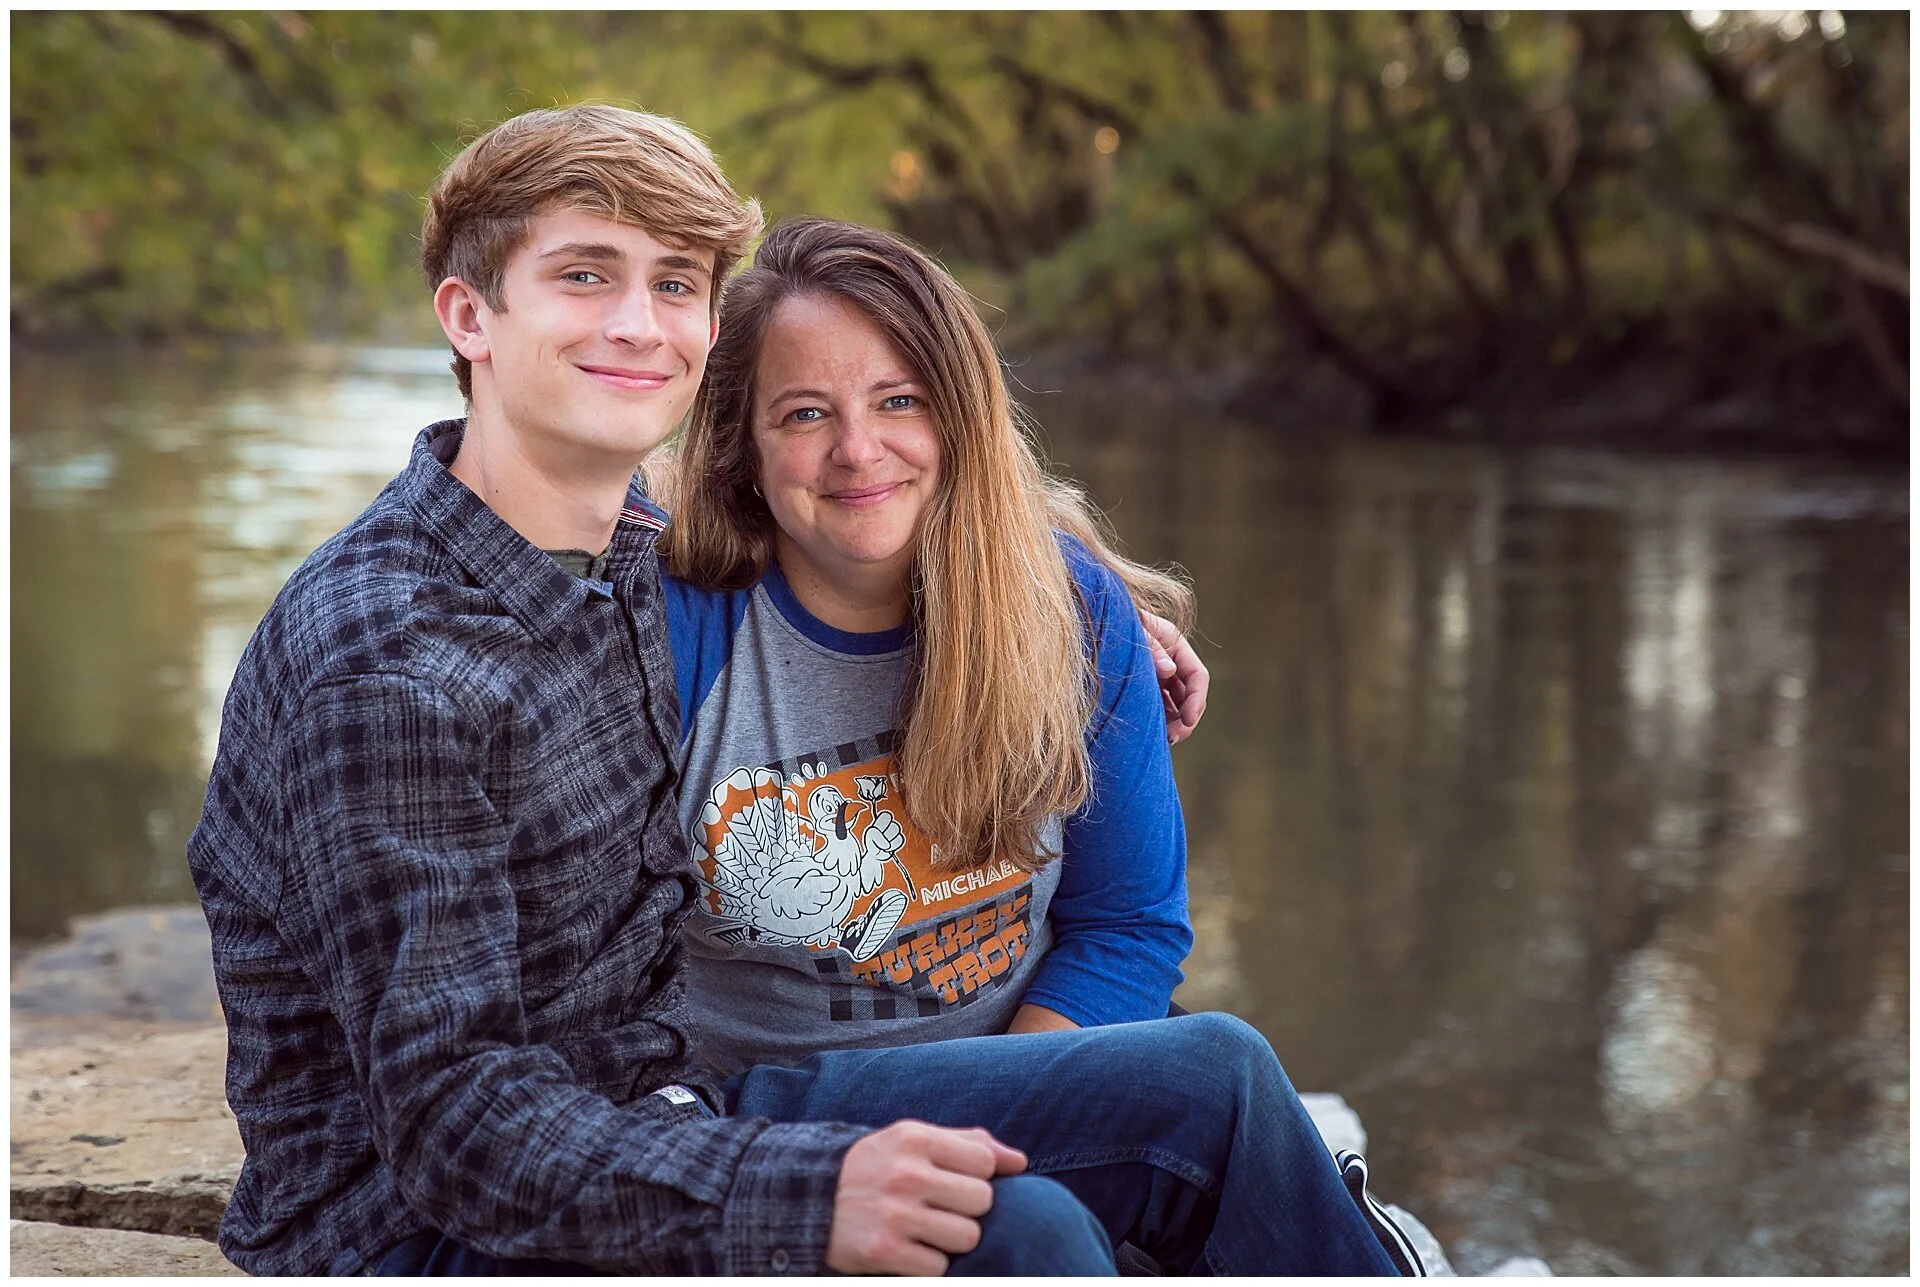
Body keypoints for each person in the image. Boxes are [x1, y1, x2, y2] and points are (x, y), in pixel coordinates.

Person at [187, 103, 1404, 1277]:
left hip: (653, 1109)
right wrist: (811, 1194)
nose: (637, 324)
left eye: (674, 284)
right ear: (470, 316)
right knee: (1017, 1234)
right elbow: (455, 1131)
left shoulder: (607, 555)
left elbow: (863, 495)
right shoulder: (392, 664)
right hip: (442, 1225)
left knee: (1211, 1079)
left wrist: (1074, 596)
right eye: (583, 276)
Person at [654, 217, 1195, 1075]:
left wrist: (995, 1123)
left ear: (958, 417)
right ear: (742, 449)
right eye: (804, 413)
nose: (858, 450)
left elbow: (1126, 928)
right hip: (771, 1118)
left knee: (1221, 1067)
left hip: (1023, 1077)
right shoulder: (674, 630)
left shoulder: (1076, 612)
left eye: (899, 400)